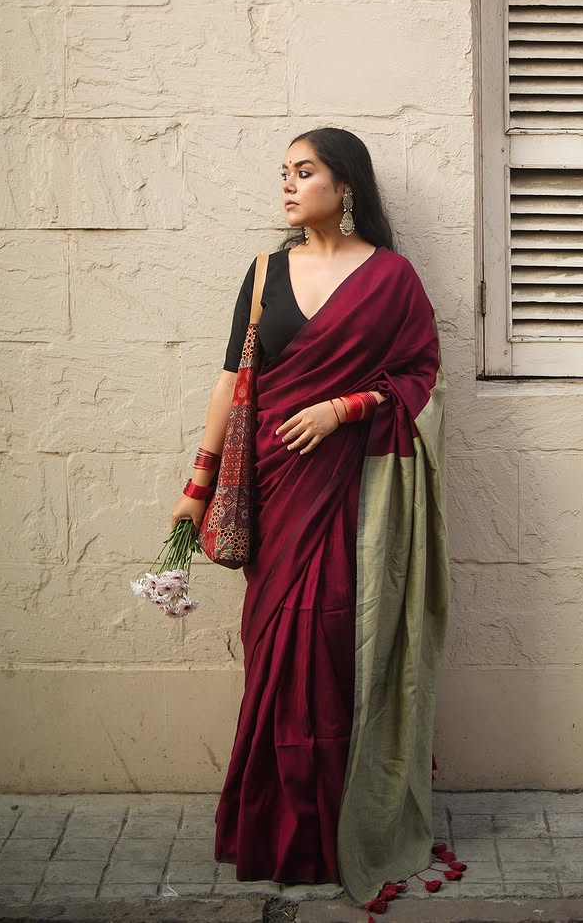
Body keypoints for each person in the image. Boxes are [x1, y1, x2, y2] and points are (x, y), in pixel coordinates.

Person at [168, 127, 447, 905]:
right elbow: (232, 381)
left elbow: (422, 376)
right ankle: (269, 828)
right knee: (274, 649)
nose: (288, 186)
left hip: (350, 493)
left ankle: (337, 827)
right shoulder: (264, 273)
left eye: (304, 171)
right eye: (283, 173)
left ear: (345, 184)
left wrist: (343, 408)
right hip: (273, 489)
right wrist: (196, 485)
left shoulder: (392, 279)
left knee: (333, 643)